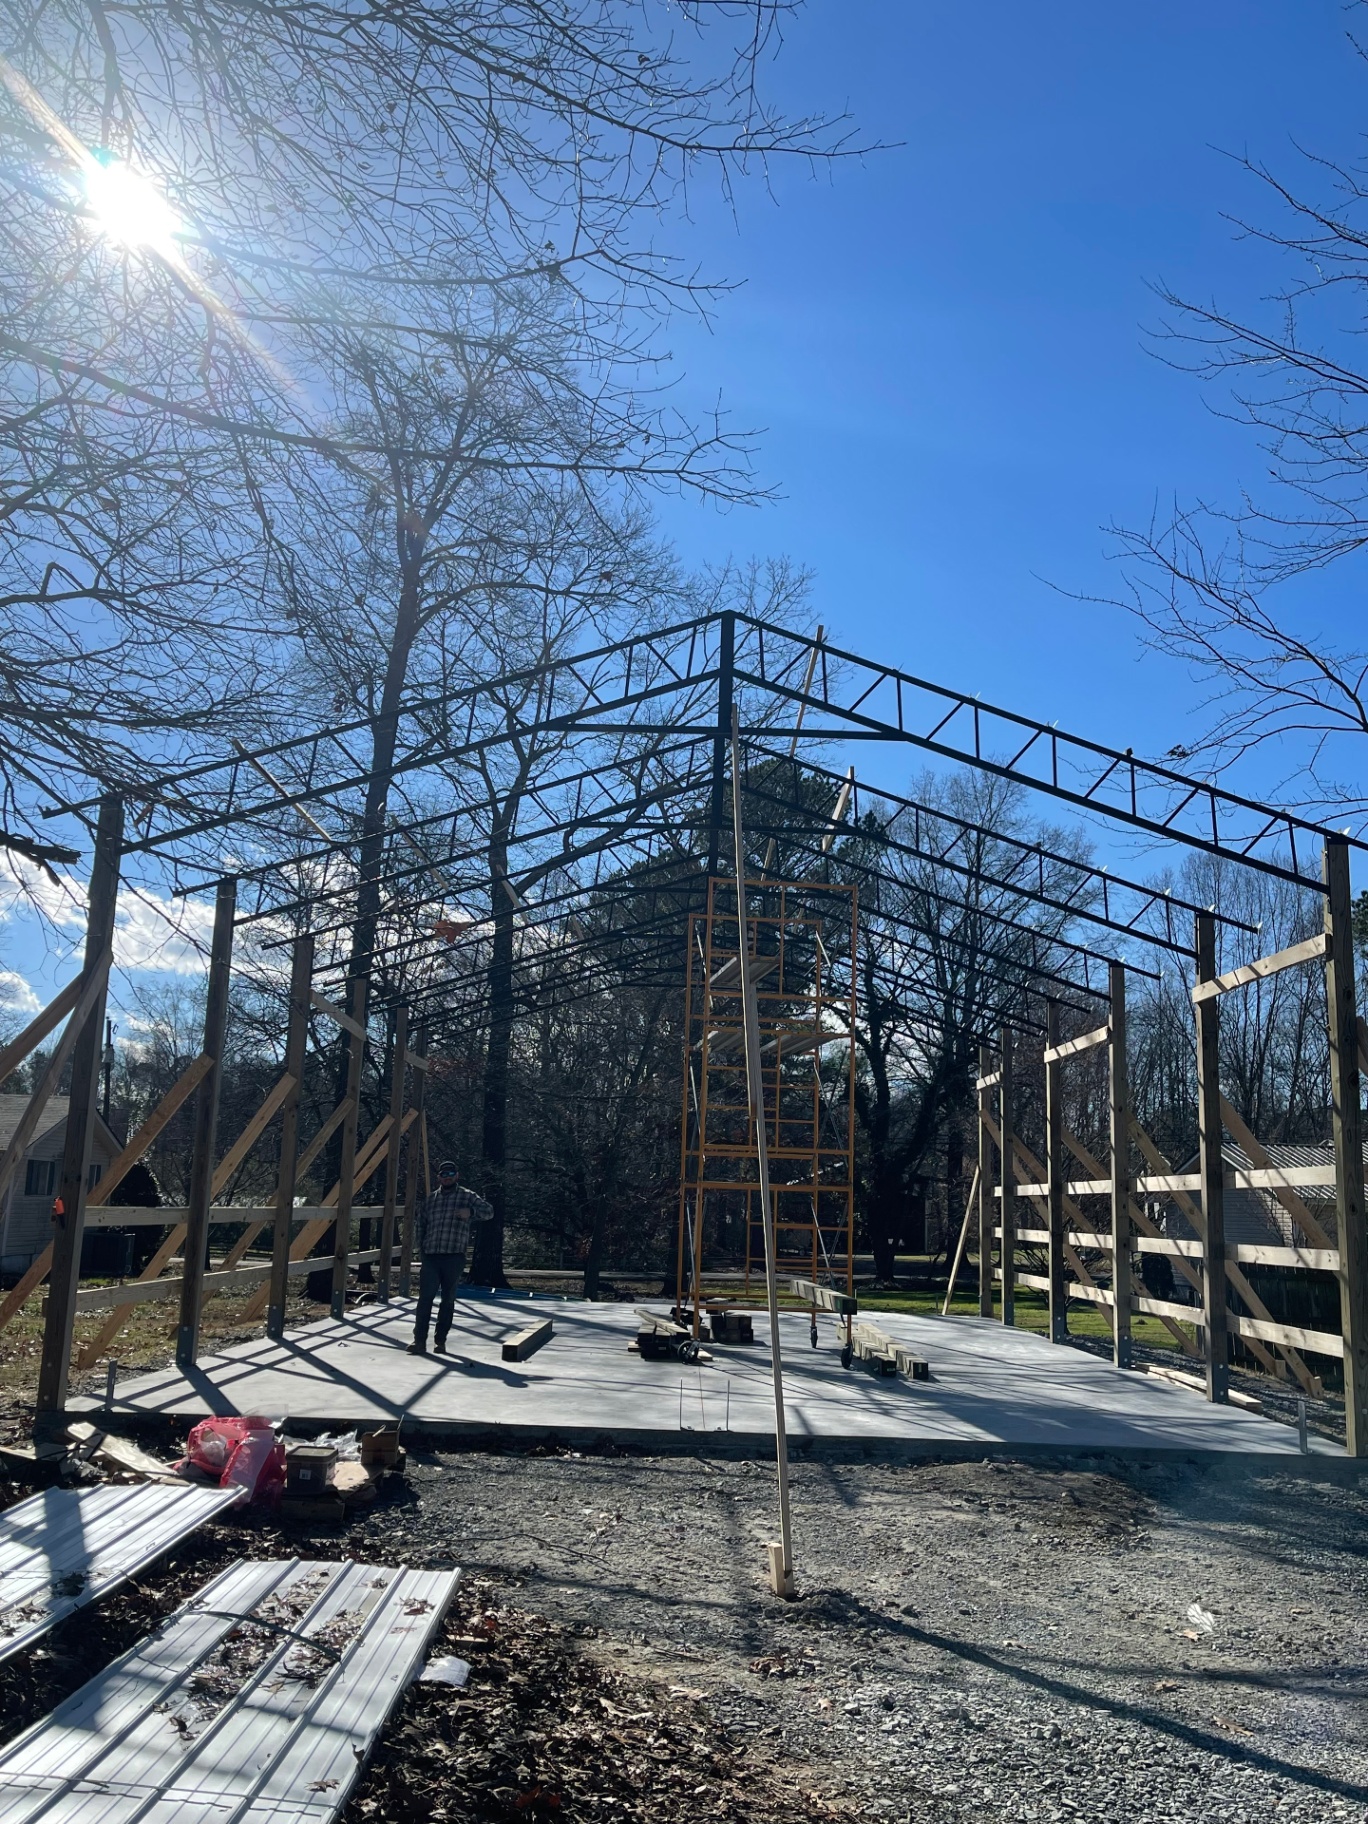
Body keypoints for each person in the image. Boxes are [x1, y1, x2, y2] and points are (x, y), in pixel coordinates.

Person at [408, 1160, 493, 1355]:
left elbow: (489, 1211)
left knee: (448, 1300)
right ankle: (419, 1341)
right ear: (439, 1177)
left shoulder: (467, 1196)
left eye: (450, 1173)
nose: (446, 1177)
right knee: (425, 1299)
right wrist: (420, 1249)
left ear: (457, 1176)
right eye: (443, 1174)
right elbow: (420, 1224)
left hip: (454, 1256)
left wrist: (470, 1212)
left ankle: (440, 1341)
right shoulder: (431, 1200)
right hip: (431, 1256)